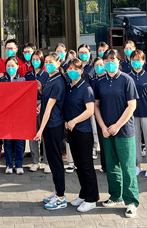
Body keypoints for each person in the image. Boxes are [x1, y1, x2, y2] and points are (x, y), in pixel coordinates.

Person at [94, 50, 139, 219]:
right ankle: (115, 195)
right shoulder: (100, 82)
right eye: (106, 60)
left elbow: (132, 105)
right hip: (106, 130)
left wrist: (117, 125)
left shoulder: (127, 80)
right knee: (111, 165)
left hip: (124, 130)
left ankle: (131, 201)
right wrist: (103, 126)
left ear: (119, 61)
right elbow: (96, 106)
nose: (109, 62)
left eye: (112, 59)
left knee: (127, 166)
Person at [63, 59, 99, 213]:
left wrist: (74, 121)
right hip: (72, 132)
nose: (72, 71)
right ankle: (83, 194)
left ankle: (92, 198)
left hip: (83, 132)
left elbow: (90, 110)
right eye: (70, 68)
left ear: (81, 71)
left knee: (86, 165)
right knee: (78, 165)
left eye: (76, 69)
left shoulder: (86, 88)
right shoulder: (69, 87)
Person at [35, 52, 67, 211]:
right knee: (53, 161)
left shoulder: (58, 81)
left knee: (56, 161)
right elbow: (46, 101)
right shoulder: (49, 78)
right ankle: (57, 192)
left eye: (51, 62)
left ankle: (61, 197)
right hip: (49, 125)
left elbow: (49, 109)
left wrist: (40, 130)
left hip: (54, 125)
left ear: (58, 63)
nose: (47, 64)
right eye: (46, 61)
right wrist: (41, 90)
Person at [130, 49, 147, 178]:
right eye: (134, 60)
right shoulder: (127, 76)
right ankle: (137, 164)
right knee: (135, 139)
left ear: (143, 61)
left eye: (138, 60)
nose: (136, 62)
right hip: (132, 113)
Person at [0, 56, 26, 174]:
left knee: (19, 141)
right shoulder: (2, 80)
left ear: (17, 66)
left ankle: (19, 165)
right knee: (8, 142)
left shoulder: (22, 80)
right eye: (8, 66)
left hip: (19, 116)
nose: (10, 68)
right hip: (6, 116)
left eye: (13, 66)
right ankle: (9, 165)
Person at [25, 49, 47, 173]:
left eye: (37, 59)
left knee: (45, 134)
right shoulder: (28, 75)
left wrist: (41, 91)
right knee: (32, 134)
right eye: (33, 59)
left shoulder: (46, 75)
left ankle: (47, 162)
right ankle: (35, 161)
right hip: (30, 106)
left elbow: (48, 93)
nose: (35, 61)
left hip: (43, 105)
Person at [91, 56, 107, 173]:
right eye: (96, 65)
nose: (99, 67)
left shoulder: (109, 79)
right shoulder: (94, 81)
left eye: (101, 65)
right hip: (97, 113)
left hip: (110, 112)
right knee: (102, 139)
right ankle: (104, 165)